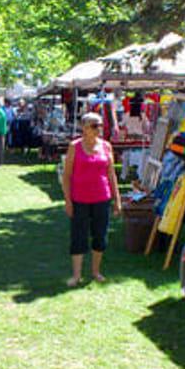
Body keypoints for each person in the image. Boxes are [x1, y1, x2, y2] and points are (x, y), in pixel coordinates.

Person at [61, 112, 122, 287]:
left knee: (100, 236)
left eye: (101, 125)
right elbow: (66, 176)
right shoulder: (75, 146)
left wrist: (117, 199)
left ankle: (95, 272)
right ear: (84, 128)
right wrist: (68, 201)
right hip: (79, 198)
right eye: (95, 125)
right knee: (78, 236)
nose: (99, 129)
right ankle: (77, 275)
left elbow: (112, 175)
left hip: (102, 198)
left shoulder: (106, 146)